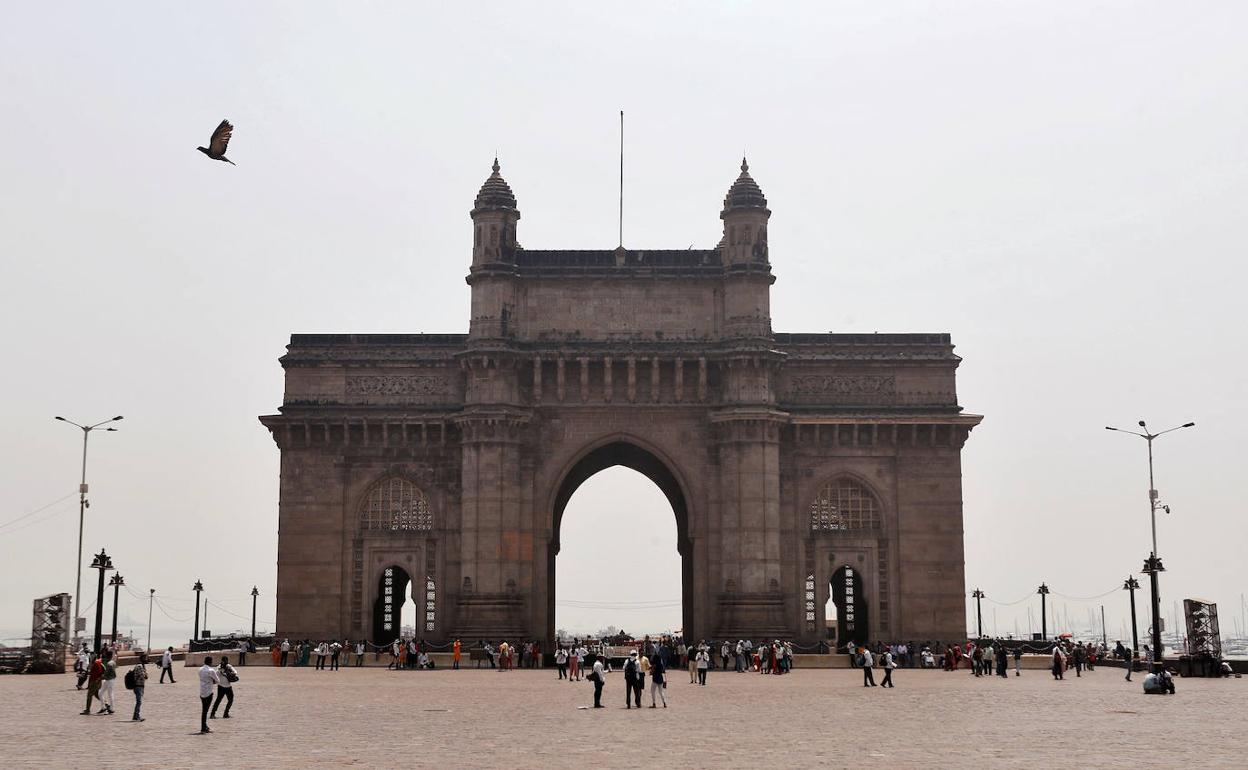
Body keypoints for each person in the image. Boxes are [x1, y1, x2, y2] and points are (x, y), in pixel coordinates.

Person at [210, 655, 237, 719]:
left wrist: (226, 672)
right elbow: (235, 672)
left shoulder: (225, 667)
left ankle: (218, 714)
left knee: (222, 700)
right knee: (224, 700)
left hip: (224, 686)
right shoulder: (223, 667)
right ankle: (220, 714)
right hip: (224, 686)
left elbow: (235, 672)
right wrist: (224, 671)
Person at [198, 656, 220, 733]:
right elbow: (217, 680)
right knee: (205, 711)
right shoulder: (211, 670)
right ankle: (203, 728)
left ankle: (205, 726)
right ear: (211, 662)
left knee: (204, 710)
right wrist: (212, 681)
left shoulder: (200, 669)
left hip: (202, 692)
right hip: (208, 692)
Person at [129, 652, 149, 721]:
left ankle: (136, 715)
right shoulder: (140, 666)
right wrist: (145, 673)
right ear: (143, 659)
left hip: (139, 686)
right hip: (138, 686)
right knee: (139, 701)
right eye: (146, 658)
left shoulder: (141, 666)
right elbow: (144, 676)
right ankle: (136, 716)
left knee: (139, 701)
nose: (147, 660)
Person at [99, 648, 118, 714]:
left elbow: (107, 673)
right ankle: (104, 707)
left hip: (109, 680)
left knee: (109, 694)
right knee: (101, 693)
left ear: (107, 656)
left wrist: (102, 677)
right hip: (110, 680)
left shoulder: (109, 664)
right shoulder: (113, 662)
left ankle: (111, 709)